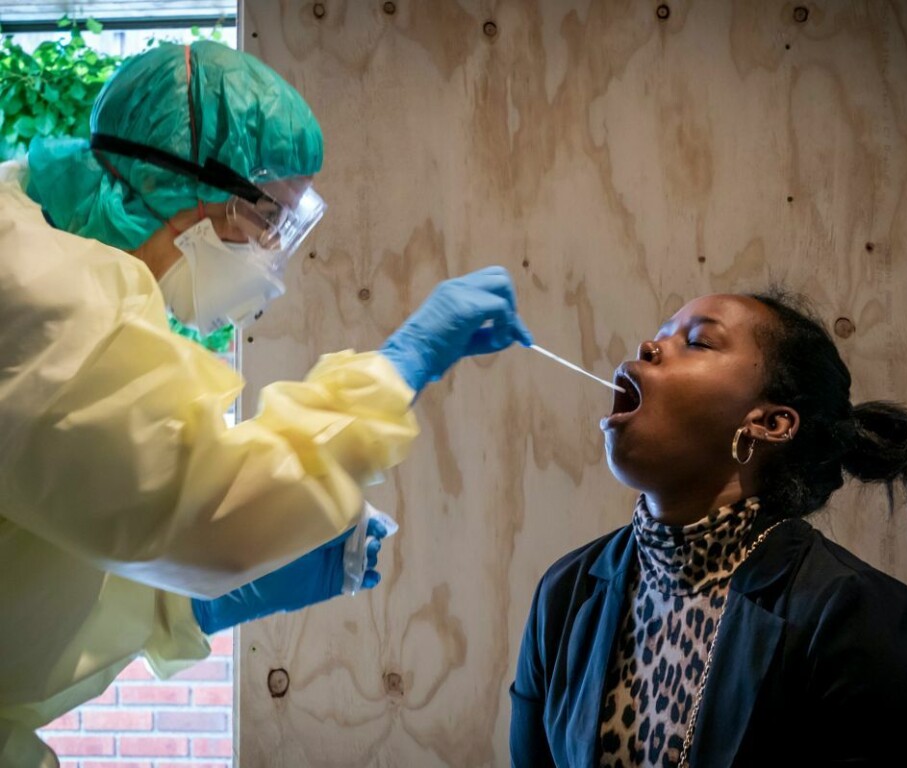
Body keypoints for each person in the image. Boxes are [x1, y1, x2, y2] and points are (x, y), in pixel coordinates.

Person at [0, 41, 532, 767]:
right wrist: (400, 366)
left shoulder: (51, 260)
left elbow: (49, 548)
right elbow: (200, 510)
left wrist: (181, 605)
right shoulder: (42, 290)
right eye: (266, 219)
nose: (272, 255)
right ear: (188, 189)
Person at [509, 289, 907, 767]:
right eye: (659, 336)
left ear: (770, 423)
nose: (648, 348)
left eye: (698, 342)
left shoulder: (851, 614)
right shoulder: (566, 593)